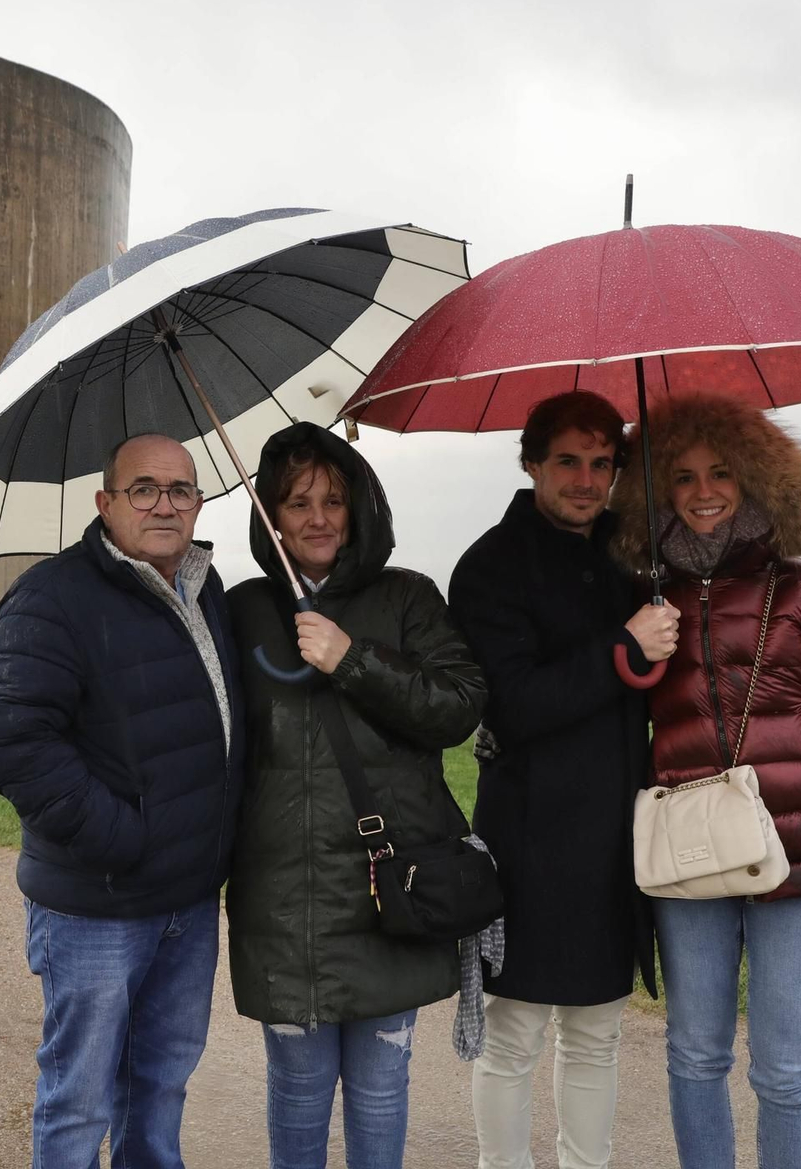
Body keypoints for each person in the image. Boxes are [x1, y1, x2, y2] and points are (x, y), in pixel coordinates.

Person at [609, 393, 801, 1169]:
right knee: (694, 1057)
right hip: (685, 864)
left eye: (722, 471)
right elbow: (605, 723)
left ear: (759, 479)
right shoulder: (645, 601)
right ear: (656, 492)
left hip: (800, 861)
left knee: (784, 1069)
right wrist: (628, 652)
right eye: (680, 476)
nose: (703, 490)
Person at [0, 432, 246, 1169]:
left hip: (187, 902)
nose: (165, 503)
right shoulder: (52, 596)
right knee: (79, 1098)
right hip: (97, 902)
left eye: (181, 489)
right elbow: (10, 740)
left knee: (160, 1086)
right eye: (144, 488)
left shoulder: (203, 585)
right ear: (105, 503)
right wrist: (125, 839)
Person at [225, 422, 488, 1169]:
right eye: (298, 500)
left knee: (379, 1091)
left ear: (359, 506)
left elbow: (460, 705)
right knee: (299, 1091)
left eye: (334, 498)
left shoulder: (407, 598)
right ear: (270, 514)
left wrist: (353, 659)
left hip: (388, 891)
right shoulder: (244, 608)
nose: (318, 516)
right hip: (284, 898)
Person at [446, 390, 678, 1169]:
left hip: (616, 836)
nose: (586, 480)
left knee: (597, 1033)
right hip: (527, 838)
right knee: (512, 1036)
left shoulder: (632, 553)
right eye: (569, 461)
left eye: (602, 463)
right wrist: (624, 645)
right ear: (531, 462)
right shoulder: (488, 566)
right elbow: (513, 707)